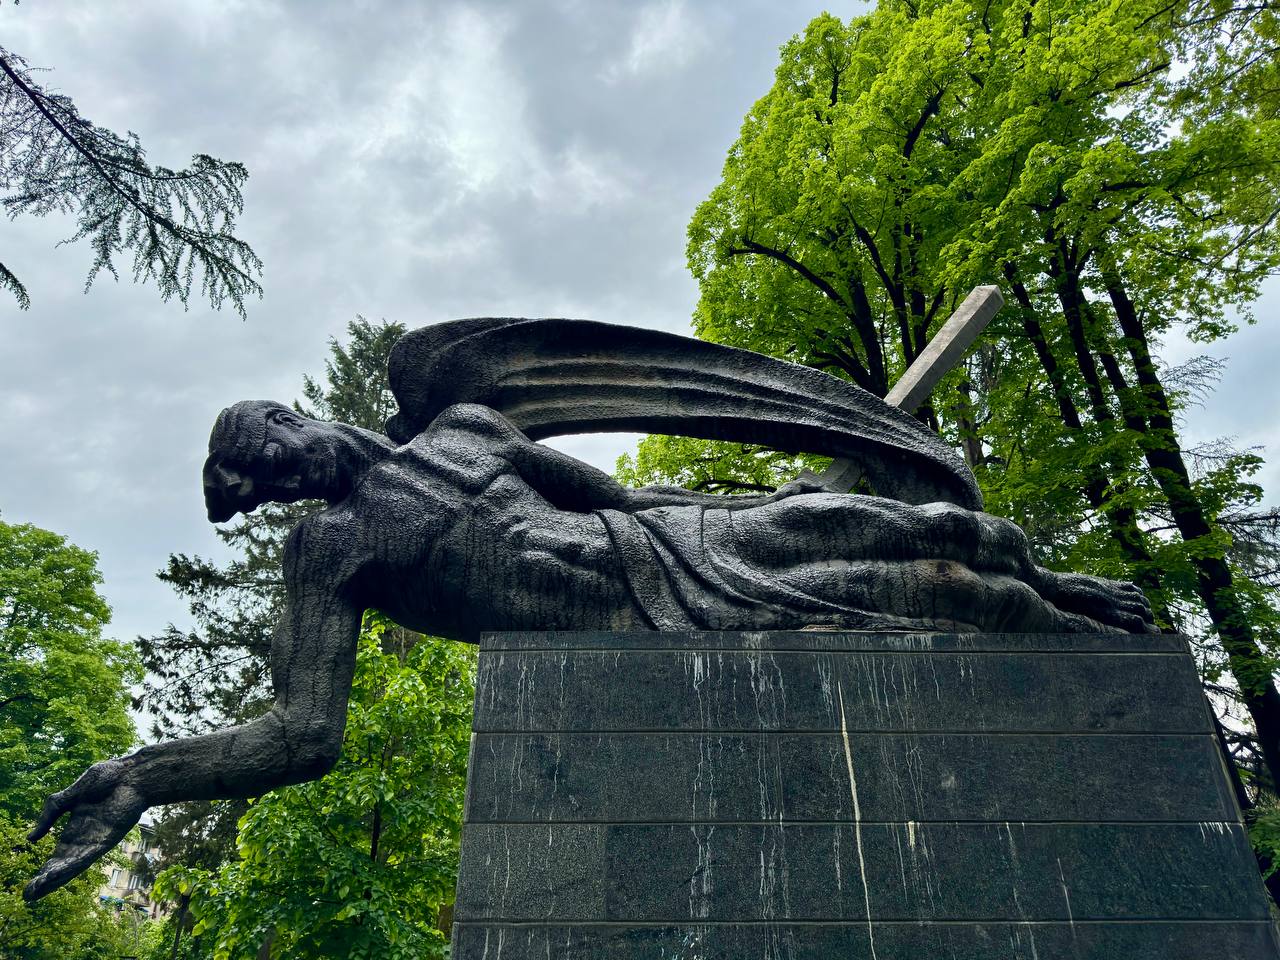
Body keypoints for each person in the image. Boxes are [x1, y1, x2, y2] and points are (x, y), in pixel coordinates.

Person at [24, 397, 1153, 901]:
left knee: (942, 529)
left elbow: (610, 493)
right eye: (270, 486)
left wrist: (743, 508)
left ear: (294, 418)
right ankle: (1073, 642)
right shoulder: (332, 549)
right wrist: (147, 775)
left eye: (279, 455)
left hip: (668, 545)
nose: (289, 480)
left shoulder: (465, 428)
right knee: (941, 588)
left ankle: (1064, 588)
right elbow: (302, 733)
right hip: (636, 630)